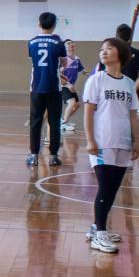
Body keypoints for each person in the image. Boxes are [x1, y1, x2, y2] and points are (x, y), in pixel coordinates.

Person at [83, 37, 139, 253]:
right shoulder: (96, 80)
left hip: (123, 142)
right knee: (105, 188)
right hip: (102, 142)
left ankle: (96, 227)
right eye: (101, 49)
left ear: (121, 53)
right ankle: (100, 235)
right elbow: (88, 113)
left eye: (109, 48)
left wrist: (136, 141)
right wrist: (90, 140)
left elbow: (133, 115)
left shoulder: (128, 83)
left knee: (113, 189)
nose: (103, 52)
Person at [27, 11, 67, 167]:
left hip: (36, 88)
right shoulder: (59, 43)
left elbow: (33, 61)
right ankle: (53, 156)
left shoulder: (31, 42)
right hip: (53, 88)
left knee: (35, 122)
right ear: (54, 25)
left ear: (39, 23)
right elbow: (64, 62)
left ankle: (33, 156)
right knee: (54, 122)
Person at [113, 23, 139, 101]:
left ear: (117, 36)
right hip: (131, 96)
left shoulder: (111, 53)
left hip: (114, 95)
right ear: (130, 37)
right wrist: (131, 92)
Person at [60, 39, 85, 132]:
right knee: (72, 102)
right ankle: (64, 124)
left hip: (71, 86)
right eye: (68, 43)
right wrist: (67, 84)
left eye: (72, 43)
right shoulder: (63, 59)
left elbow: (81, 68)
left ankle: (63, 120)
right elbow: (58, 73)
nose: (71, 44)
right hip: (63, 86)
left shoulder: (77, 59)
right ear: (64, 47)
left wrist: (86, 72)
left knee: (77, 105)